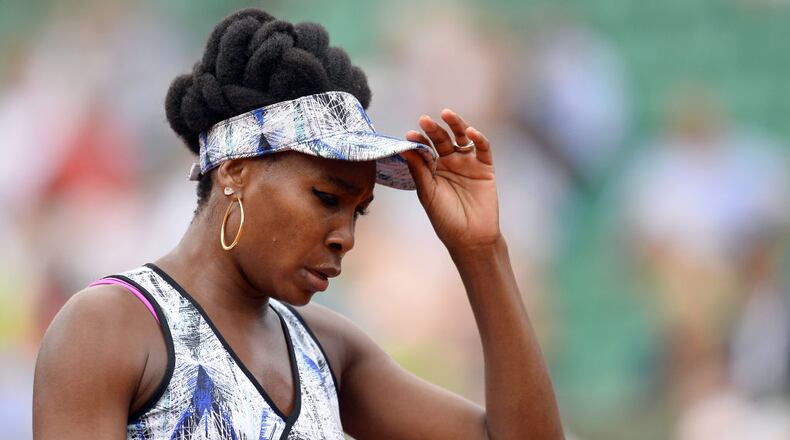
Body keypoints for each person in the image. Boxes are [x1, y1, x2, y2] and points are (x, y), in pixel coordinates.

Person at [32, 8, 562, 440]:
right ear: (236, 172)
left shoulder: (328, 350)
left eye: (359, 211)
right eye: (327, 197)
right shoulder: (109, 327)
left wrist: (481, 250)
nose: (346, 237)